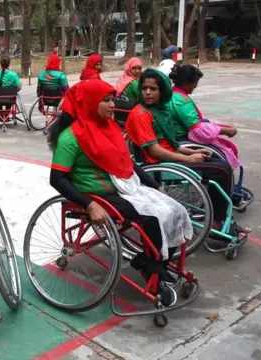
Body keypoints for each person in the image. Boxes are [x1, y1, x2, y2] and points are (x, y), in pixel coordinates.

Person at [50, 79, 192, 307]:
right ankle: (154, 269)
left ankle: (151, 263)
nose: (112, 105)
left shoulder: (111, 128)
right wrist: (88, 204)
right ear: (89, 103)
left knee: (174, 209)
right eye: (105, 101)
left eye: (112, 99)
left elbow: (129, 163)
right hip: (98, 196)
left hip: (125, 186)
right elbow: (56, 179)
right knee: (152, 218)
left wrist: (154, 186)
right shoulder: (70, 138)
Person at [124, 68, 249, 240]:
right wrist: (188, 158)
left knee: (219, 163)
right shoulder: (141, 114)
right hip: (157, 163)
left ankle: (221, 217)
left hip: (168, 156)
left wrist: (191, 151)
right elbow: (155, 150)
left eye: (153, 89)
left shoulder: (158, 110)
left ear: (162, 91)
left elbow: (169, 143)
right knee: (221, 171)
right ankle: (216, 223)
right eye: (144, 88)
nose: (147, 93)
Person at [168, 64, 241, 170]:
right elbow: (197, 129)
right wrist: (224, 130)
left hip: (177, 132)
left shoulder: (173, 93)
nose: (195, 86)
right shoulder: (181, 101)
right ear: (186, 82)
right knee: (224, 161)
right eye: (194, 83)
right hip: (181, 137)